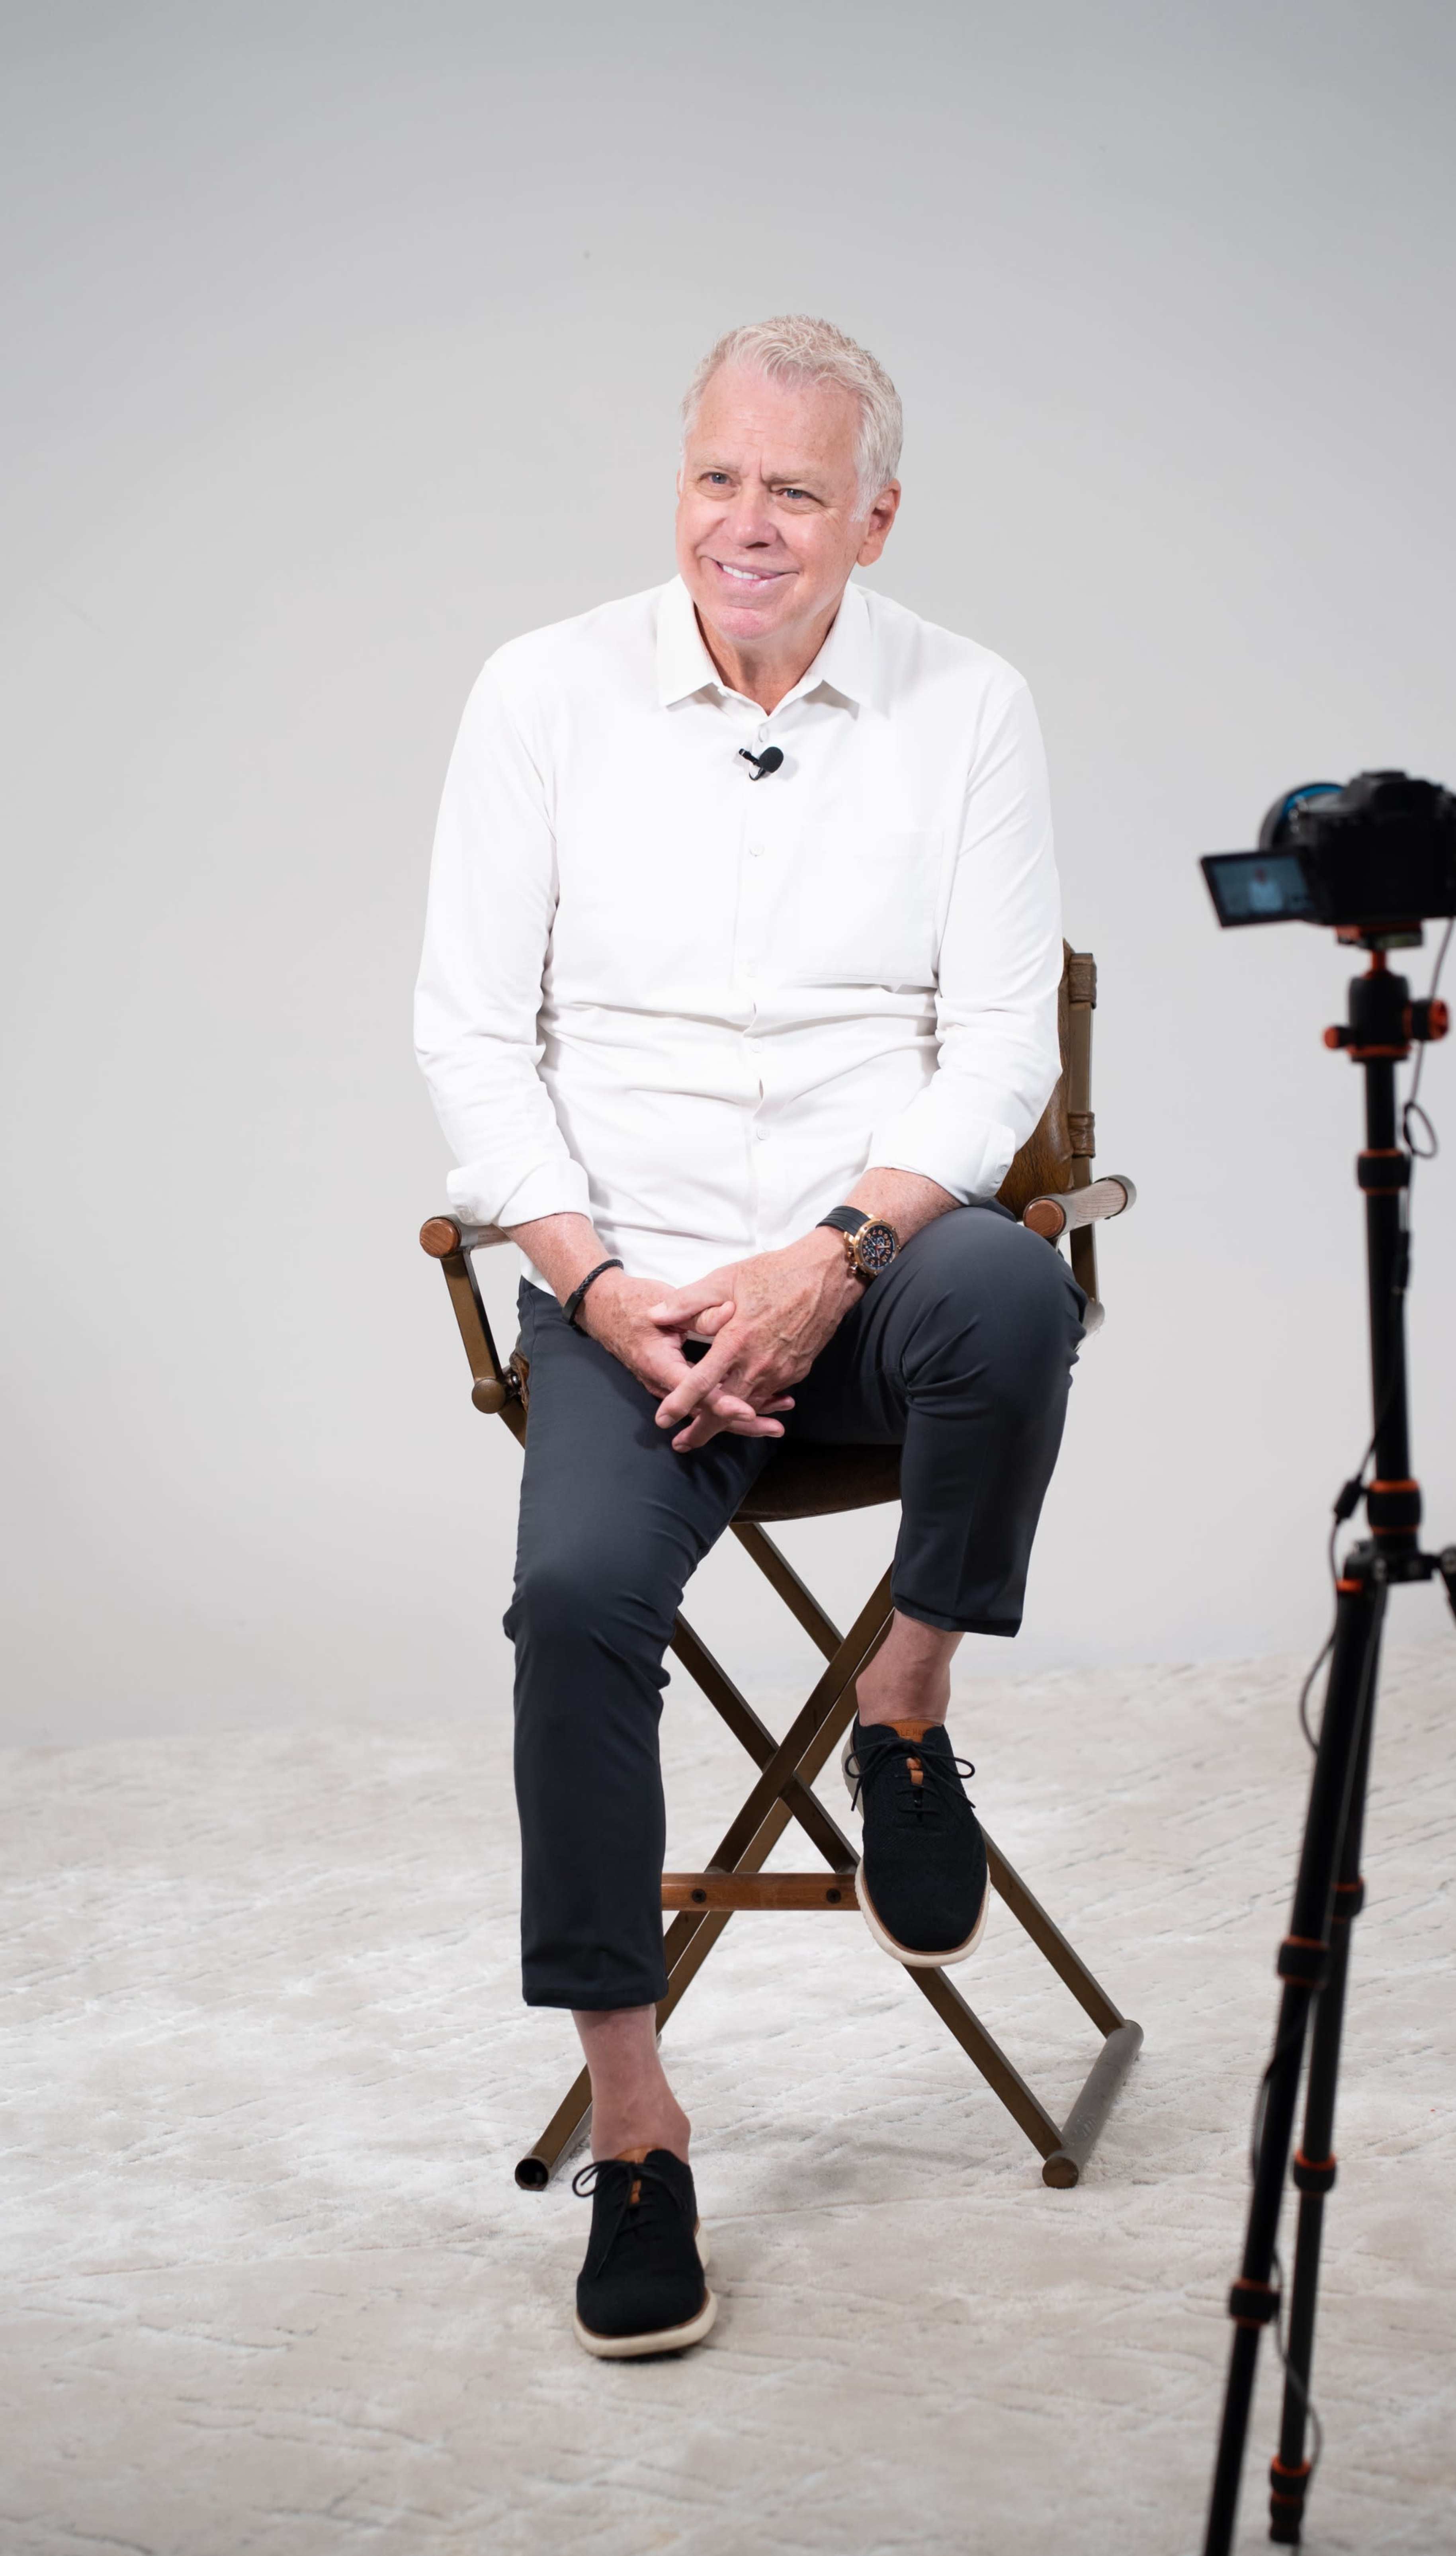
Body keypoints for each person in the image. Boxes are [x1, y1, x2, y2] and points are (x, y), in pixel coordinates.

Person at [416, 315, 1085, 2359]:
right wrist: (607, 1294)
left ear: (874, 513)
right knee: (574, 1605)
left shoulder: (970, 706)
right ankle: (638, 2119)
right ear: (678, 483)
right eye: (720, 477)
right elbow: (471, 1034)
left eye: (798, 489)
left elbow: (992, 1047)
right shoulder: (540, 694)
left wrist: (827, 1256)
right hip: (623, 1302)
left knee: (1012, 1282)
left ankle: (902, 1700)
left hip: (865, 1284)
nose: (748, 525)